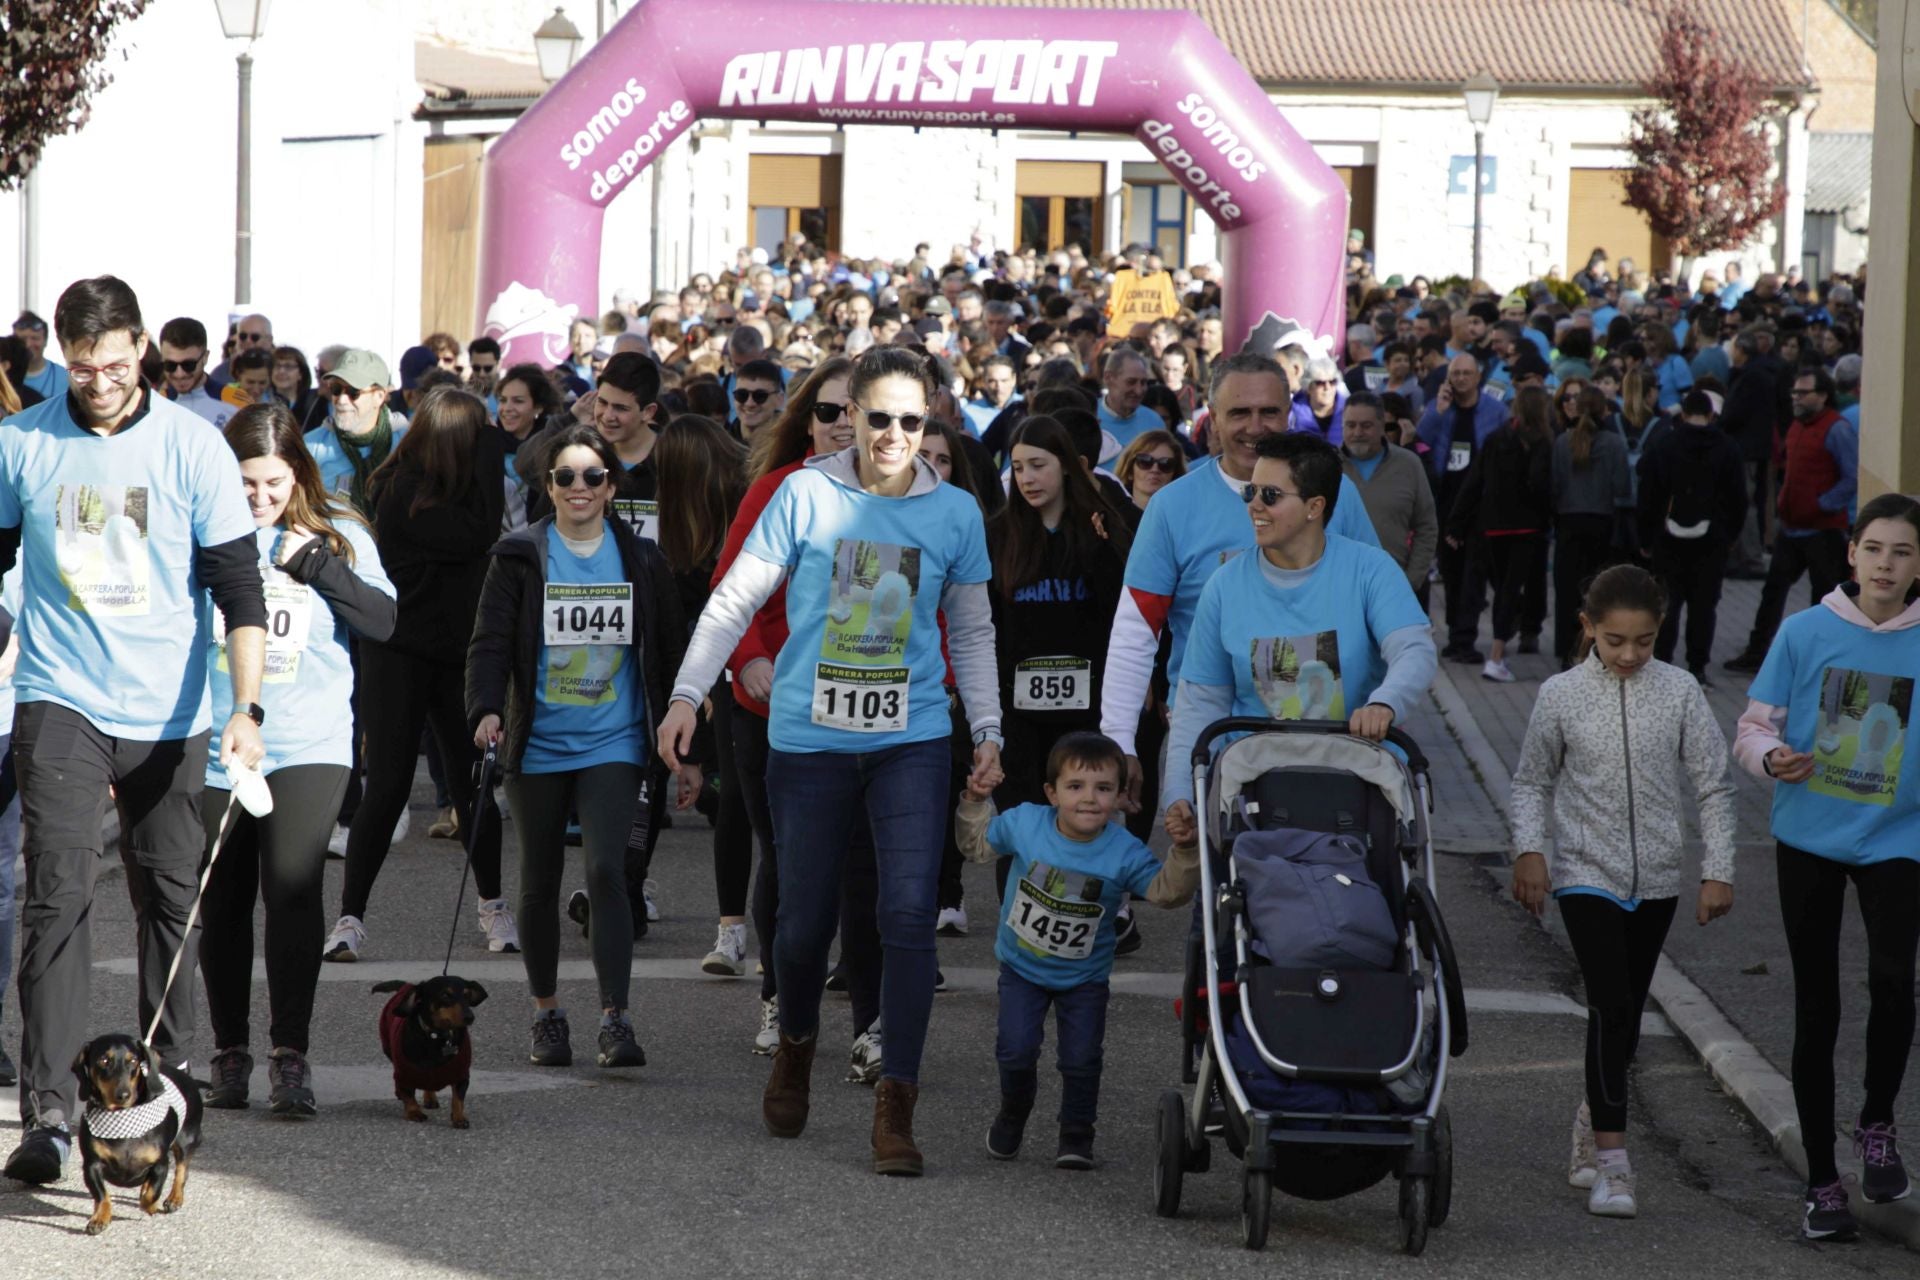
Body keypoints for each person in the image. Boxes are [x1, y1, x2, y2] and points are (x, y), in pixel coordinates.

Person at [658, 346, 1003, 1177]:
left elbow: (973, 629)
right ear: (850, 416)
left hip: (912, 737)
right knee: (805, 922)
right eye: (875, 416)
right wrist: (687, 693)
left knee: (909, 916)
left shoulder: (954, 513)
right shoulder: (804, 493)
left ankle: (896, 1103)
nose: (891, 434)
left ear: (931, 422)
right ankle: (798, 1045)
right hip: (808, 739)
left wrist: (987, 729)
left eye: (910, 421)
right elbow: (735, 596)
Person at [0, 276, 268, 1186]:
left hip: (171, 709)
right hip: (60, 694)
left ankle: (171, 1085)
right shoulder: (22, 443)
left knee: (168, 896)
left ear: (143, 346)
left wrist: (246, 707)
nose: (102, 383)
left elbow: (240, 589)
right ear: (62, 360)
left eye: (116, 365)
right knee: (57, 893)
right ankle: (49, 1113)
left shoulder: (195, 446)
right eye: (83, 369)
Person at [1511, 564, 1736, 1219]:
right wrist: (1532, 851)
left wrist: (1717, 868)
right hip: (1586, 872)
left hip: (1659, 877)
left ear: (1661, 629)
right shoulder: (1559, 694)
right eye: (1614, 641)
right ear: (1587, 629)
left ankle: (1591, 1116)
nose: (1630, 654)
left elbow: (1715, 786)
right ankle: (1614, 1161)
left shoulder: (1681, 691)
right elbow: (1531, 781)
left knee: (1628, 1015)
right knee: (1610, 1004)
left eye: (1644, 641)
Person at [468, 424, 689, 1070]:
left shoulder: (641, 559)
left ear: (612, 486)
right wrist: (483, 709)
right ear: (548, 487)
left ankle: (616, 1017)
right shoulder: (519, 555)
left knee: (605, 872)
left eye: (593, 476)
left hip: (614, 741)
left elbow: (670, 645)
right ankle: (546, 1013)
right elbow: (488, 643)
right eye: (566, 477)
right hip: (537, 742)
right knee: (538, 881)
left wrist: (682, 723)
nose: (579, 488)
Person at [198, 405, 397, 1117]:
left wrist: (317, 564)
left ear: (299, 474)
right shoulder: (203, 525)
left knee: (290, 888)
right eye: (246, 483)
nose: (259, 498)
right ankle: (228, 1051)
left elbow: (381, 620)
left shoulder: (339, 529)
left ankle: (290, 1055)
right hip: (219, 738)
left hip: (309, 738)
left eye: (273, 484)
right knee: (221, 899)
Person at [1734, 494, 1920, 1241]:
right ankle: (1822, 1181)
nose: (1886, 564)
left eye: (1903, 552)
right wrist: (1770, 758)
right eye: (1875, 548)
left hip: (1898, 838)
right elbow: (1751, 728)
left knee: (1890, 980)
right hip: (1809, 835)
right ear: (1851, 554)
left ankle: (1877, 1124)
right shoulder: (1804, 632)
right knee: (1818, 1006)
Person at [1100, 354, 1382, 819]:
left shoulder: (1335, 494)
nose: (1256, 427)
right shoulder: (1172, 508)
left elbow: (1381, 611)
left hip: (1329, 744)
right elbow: (1135, 634)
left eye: (1268, 412)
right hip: (1214, 740)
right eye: (1239, 413)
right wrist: (1118, 740)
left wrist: (1384, 704)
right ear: (1212, 417)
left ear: (1289, 412)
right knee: (1221, 884)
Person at [323, 388, 515, 963]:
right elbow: (477, 534)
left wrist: (485, 445)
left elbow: (480, 527)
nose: (487, 442)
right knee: (387, 785)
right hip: (399, 652)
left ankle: (493, 906)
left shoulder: (465, 490)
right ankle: (350, 918)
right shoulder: (400, 489)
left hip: (460, 655)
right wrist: (491, 444)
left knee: (471, 785)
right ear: (461, 439)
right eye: (478, 434)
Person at [1163, 431, 1436, 824]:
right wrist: (1179, 792)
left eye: (1270, 495)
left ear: (1315, 507)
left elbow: (1414, 648)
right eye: (1249, 493)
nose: (1254, 506)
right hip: (1254, 790)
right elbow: (1200, 701)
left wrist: (1384, 702)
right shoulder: (1224, 585)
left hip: (1356, 782)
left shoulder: (1370, 569)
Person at [956, 731, 1198, 1168]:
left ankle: (1076, 1133)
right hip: (1021, 968)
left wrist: (1184, 849)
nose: (1089, 799)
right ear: (1051, 792)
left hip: (1084, 977)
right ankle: (1013, 1112)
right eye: (1075, 787)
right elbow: (975, 846)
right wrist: (976, 800)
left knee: (1082, 1057)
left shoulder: (1123, 851)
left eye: (1103, 788)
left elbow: (1165, 893)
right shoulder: (1026, 823)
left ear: (1121, 796)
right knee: (1015, 1049)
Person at [650, 415, 754, 975]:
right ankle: (731, 930)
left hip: (766, 666)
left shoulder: (750, 507)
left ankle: (764, 935)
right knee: (737, 800)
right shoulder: (692, 529)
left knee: (769, 808)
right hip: (724, 675)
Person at [1726, 368, 1857, 673]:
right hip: (1793, 528)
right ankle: (1757, 651)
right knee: (1773, 592)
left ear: (1822, 395)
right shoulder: (1797, 426)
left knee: (1824, 597)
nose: (1795, 398)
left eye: (1803, 393)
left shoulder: (1836, 428)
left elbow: (1851, 477)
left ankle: (1821, 657)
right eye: (1794, 393)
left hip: (1822, 530)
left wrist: (1822, 504)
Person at [1635, 391, 1748, 682]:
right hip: (1712, 542)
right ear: (1711, 415)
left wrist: (1646, 538)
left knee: (1667, 605)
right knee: (1704, 607)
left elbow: (1648, 493)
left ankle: (1662, 666)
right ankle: (1697, 668)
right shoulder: (1727, 448)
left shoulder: (1664, 445)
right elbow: (1739, 498)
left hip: (1667, 540)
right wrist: (1730, 535)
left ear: (1683, 414)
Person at [1447, 385, 1554, 684]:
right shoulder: (1542, 442)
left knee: (1502, 589)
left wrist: (1456, 521)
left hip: (1493, 525)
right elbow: (1540, 485)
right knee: (1510, 590)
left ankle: (1498, 654)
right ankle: (1496, 657)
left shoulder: (1496, 438)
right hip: (1525, 527)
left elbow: (1474, 481)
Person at [1417, 353, 1511, 662]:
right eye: (1455, 373)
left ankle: (1465, 637)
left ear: (1478, 377)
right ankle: (1455, 630)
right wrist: (1438, 411)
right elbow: (1420, 442)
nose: (1460, 379)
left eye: (1466, 373)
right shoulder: (1439, 407)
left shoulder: (1495, 411)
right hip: (1447, 501)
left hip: (1481, 503)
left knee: (1474, 571)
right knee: (1451, 570)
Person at [1550, 386, 1632, 665]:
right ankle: (1594, 649)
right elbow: (1622, 486)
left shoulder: (1563, 442)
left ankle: (1565, 651)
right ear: (1604, 410)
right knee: (1597, 592)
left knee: (1566, 592)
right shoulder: (1613, 443)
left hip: (1569, 522)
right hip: (1602, 523)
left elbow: (1555, 485)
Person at [1339, 390, 1437, 598]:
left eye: (1366, 426)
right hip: (1338, 590)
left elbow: (1426, 526)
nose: (1357, 433)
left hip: (1394, 590)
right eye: (1350, 425)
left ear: (1382, 427)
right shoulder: (1327, 467)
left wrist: (1411, 581)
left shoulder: (1409, 464)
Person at [304, 349, 403, 517]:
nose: (342, 400)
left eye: (353, 392)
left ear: (379, 396)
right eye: (336, 389)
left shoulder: (406, 443)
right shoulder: (312, 445)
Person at [157, 316, 236, 428]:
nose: (179, 374)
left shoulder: (236, 405)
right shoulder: (154, 407)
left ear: (205, 357)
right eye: (170, 365)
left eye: (188, 365)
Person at [1095, 347, 1160, 454]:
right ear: (1108, 378)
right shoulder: (1090, 417)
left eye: (1143, 383)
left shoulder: (1154, 422)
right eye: (1131, 382)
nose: (1139, 391)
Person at [1115, 430, 1186, 511]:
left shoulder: (1185, 516)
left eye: (1165, 464)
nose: (1155, 469)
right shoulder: (1110, 514)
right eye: (1145, 461)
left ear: (1175, 473)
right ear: (1130, 471)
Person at [10, 311, 67, 400]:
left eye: (35, 338)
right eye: (22, 339)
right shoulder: (4, 376)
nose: (28, 344)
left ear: (45, 341)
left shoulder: (64, 378)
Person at [730, 357, 787, 444]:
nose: (749, 403)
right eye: (742, 395)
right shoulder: (719, 445)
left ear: (779, 399)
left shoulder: (793, 447)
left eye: (760, 396)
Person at [1290, 356, 1347, 443]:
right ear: (1308, 387)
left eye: (1332, 382)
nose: (1327, 387)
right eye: (1320, 383)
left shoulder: (1349, 411)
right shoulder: (1291, 414)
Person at [964, 355, 1020, 439]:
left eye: (1004, 380)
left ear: (1014, 379)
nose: (999, 387)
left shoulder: (1025, 406)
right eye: (992, 381)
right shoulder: (968, 413)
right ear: (984, 381)